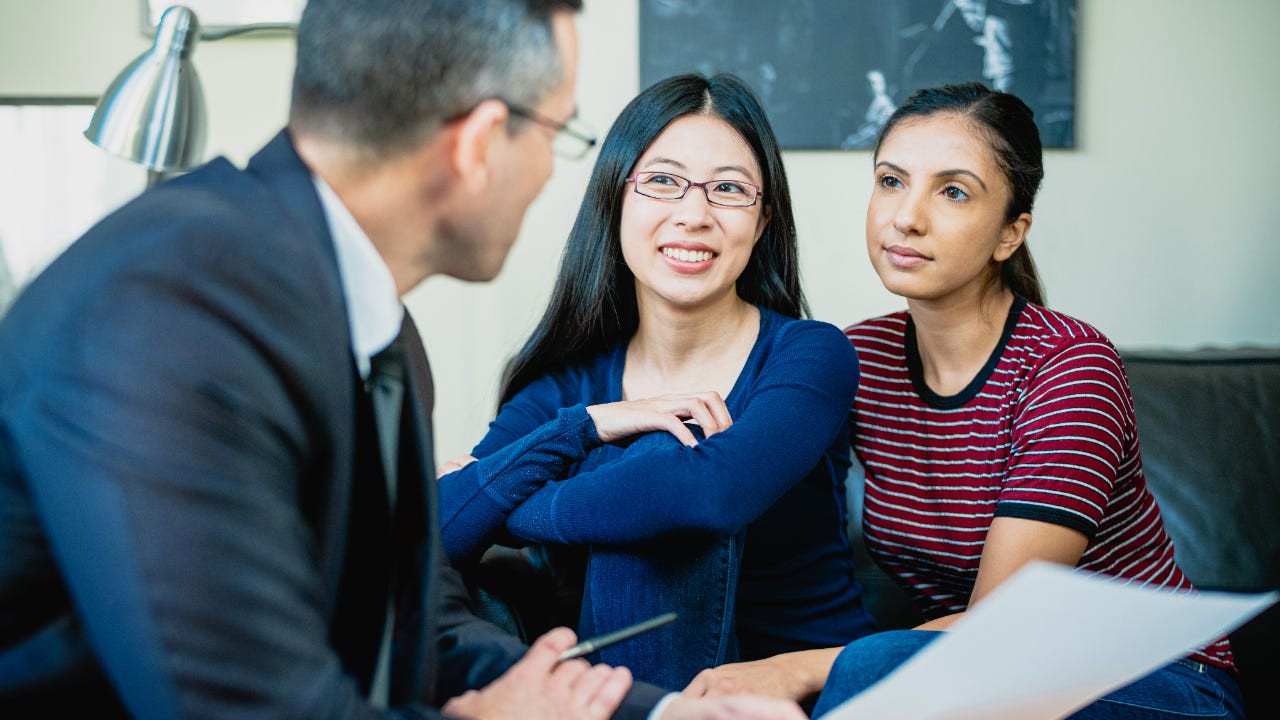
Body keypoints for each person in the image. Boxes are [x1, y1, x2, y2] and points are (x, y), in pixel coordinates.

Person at [0, 2, 807, 719]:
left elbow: (422, 624)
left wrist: (663, 714)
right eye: (558, 135)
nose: (548, 173)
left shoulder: (376, 330)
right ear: (481, 143)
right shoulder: (174, 307)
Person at [686, 82, 1245, 719]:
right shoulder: (857, 357)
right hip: (980, 683)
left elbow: (1004, 625)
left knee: (869, 667)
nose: (906, 217)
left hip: (1154, 677)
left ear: (1010, 233)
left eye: (952, 192)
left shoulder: (1070, 366)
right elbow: (739, 477)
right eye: (891, 181)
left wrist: (795, 670)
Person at [436, 72, 876, 693]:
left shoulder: (810, 354)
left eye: (729, 189)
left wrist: (509, 509)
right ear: (615, 199)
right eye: (663, 181)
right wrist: (589, 425)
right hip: (646, 697)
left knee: (661, 460)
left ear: (762, 220)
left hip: (807, 696)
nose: (693, 215)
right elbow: (439, 524)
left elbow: (704, 496)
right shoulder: (567, 387)